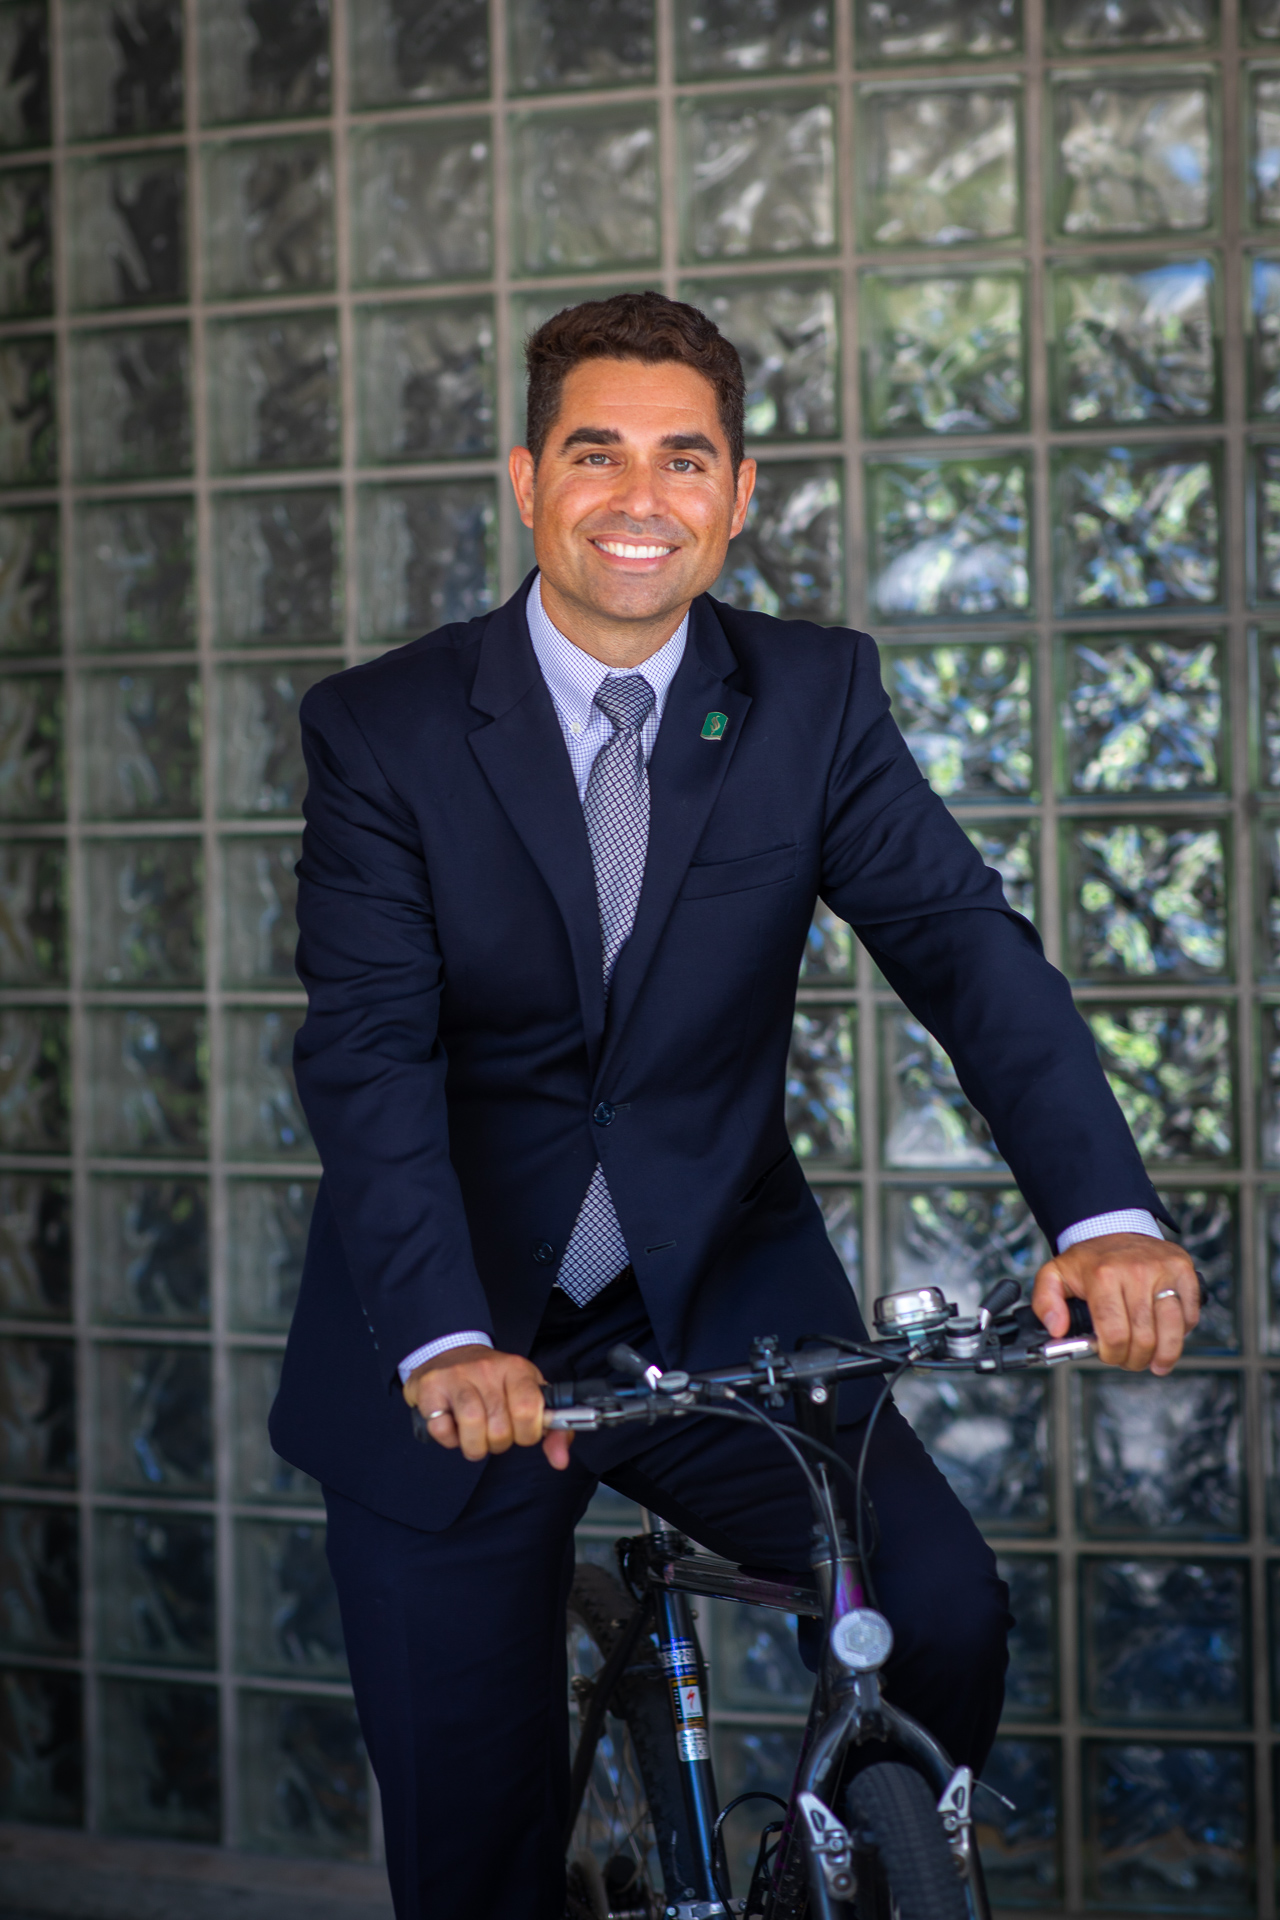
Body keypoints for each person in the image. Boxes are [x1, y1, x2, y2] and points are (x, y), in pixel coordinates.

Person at [270, 291, 1198, 1920]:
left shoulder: (813, 698)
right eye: (597, 454)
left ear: (740, 492)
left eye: (684, 458)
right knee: (474, 1840)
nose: (642, 500)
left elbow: (967, 954)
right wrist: (441, 1336)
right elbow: (368, 1054)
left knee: (943, 1610)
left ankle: (828, 1874)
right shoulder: (387, 730)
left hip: (716, 1300)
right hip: (455, 1332)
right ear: (524, 477)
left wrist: (1103, 1217)